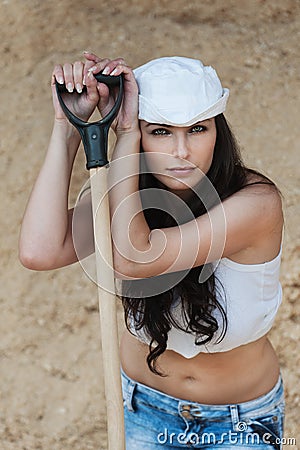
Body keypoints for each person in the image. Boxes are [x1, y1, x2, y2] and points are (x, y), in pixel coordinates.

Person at [19, 52, 285, 449]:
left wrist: (128, 136)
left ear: (218, 130)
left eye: (197, 129)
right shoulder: (127, 199)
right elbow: (40, 251)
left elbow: (134, 256)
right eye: (160, 131)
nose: (181, 151)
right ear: (139, 131)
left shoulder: (255, 204)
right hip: (142, 410)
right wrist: (67, 129)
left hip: (242, 422)